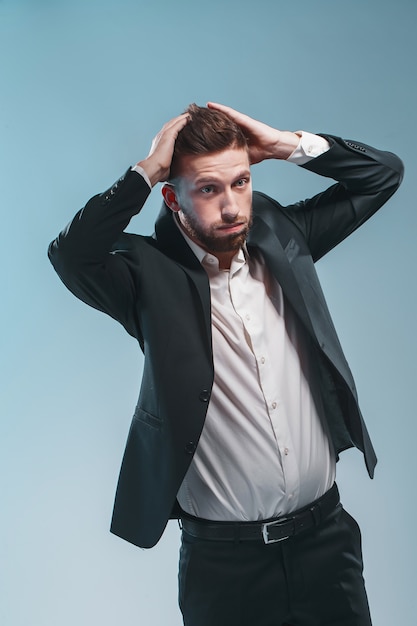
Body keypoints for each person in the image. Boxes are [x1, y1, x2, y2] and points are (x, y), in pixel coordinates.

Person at [48, 103, 403, 626]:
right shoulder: (147, 275)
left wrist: (284, 145)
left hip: (327, 544)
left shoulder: (283, 236)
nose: (233, 206)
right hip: (224, 566)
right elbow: (71, 255)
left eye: (241, 183)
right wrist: (146, 171)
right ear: (173, 197)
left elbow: (382, 176)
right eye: (209, 189)